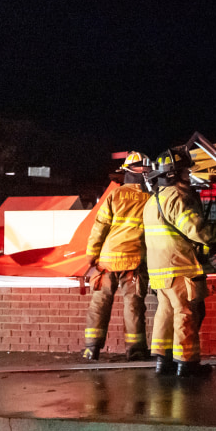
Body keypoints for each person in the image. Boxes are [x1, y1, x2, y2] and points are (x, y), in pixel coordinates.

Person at [143, 147, 216, 377]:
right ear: (174, 174)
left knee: (165, 313)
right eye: (184, 172)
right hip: (180, 267)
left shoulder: (153, 201)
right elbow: (198, 231)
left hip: (159, 270)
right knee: (186, 314)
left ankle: (164, 362)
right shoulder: (178, 198)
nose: (187, 175)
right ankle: (187, 364)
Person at [82, 151, 153, 362]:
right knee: (133, 305)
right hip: (133, 263)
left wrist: (92, 257)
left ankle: (91, 349)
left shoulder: (114, 195)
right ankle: (136, 350)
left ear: (126, 172)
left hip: (107, 261)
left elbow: (99, 228)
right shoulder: (150, 199)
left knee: (100, 303)